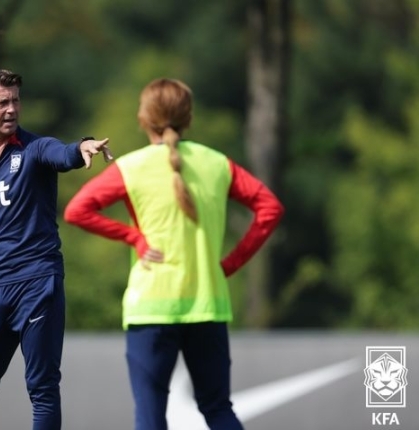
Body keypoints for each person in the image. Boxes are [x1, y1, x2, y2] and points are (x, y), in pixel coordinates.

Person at [64, 78, 284, 430]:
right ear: (189, 117)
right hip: (207, 305)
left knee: (150, 417)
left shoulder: (131, 167)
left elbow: (77, 210)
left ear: (144, 118)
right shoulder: (217, 164)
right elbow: (269, 207)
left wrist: (133, 237)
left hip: (151, 309)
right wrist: (230, 263)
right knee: (217, 409)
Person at [0, 69, 113, 430]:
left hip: (38, 283)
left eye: (16, 100)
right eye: (2, 102)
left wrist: (83, 147)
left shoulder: (34, 148)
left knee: (42, 388)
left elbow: (64, 154)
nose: (11, 109)